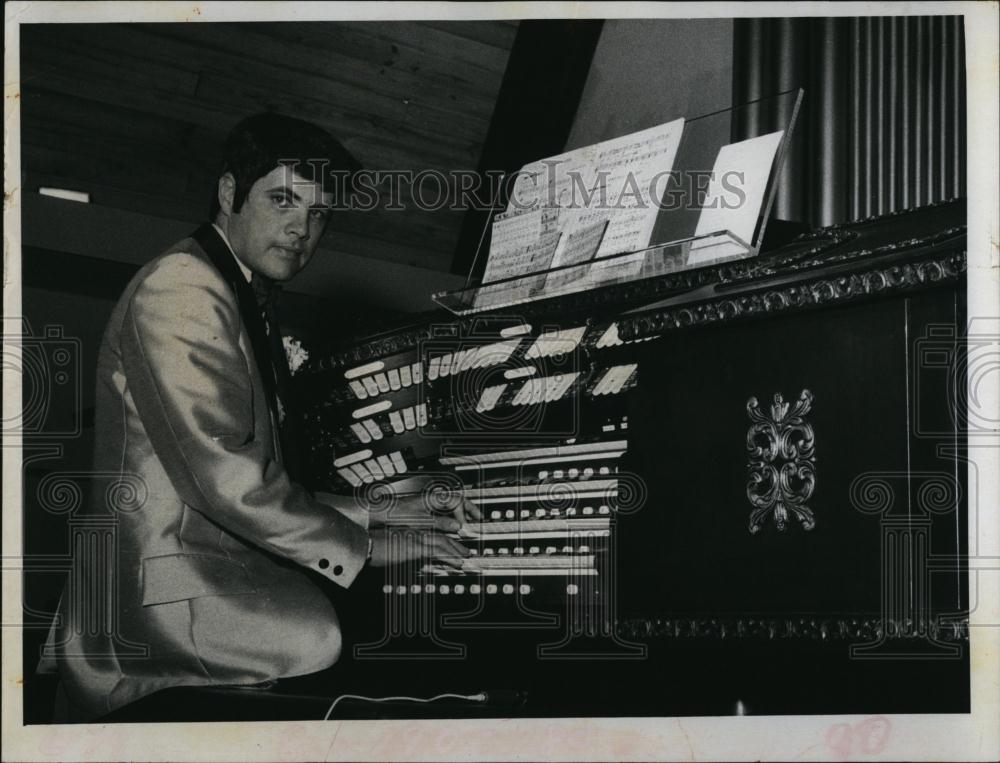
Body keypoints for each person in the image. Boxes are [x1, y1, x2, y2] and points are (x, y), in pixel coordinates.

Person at [39, 113, 474, 721]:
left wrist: (377, 507)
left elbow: (256, 472)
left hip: (198, 550)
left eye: (318, 213)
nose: (301, 228)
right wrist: (369, 547)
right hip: (153, 588)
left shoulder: (233, 283)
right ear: (228, 194)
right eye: (282, 200)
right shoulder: (183, 287)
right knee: (328, 633)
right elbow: (226, 478)